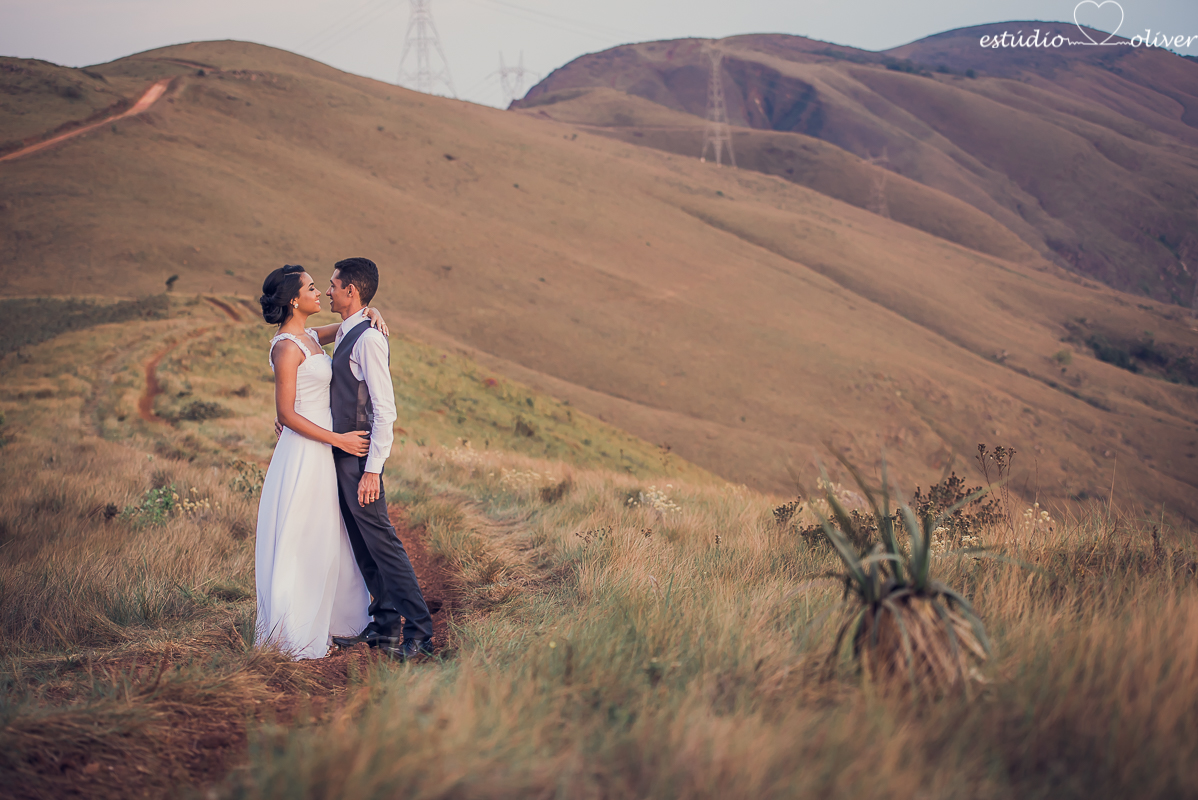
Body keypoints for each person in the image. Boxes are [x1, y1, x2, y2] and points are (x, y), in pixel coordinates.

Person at [254, 264, 385, 659]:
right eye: (312, 288)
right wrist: (338, 439)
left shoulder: (310, 336)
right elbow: (287, 414)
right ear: (294, 299)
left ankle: (332, 621)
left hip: (322, 451)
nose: (320, 293)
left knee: (328, 535)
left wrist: (373, 313)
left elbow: (350, 328)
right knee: (303, 536)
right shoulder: (286, 347)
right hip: (305, 453)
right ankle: (291, 631)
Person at [323, 257, 435, 660]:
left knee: (384, 546)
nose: (328, 290)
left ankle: (420, 634)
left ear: (351, 290)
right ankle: (385, 626)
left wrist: (372, 470)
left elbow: (385, 411)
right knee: (363, 546)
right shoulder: (352, 329)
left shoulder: (369, 339)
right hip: (340, 457)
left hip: (358, 461)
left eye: (333, 284)